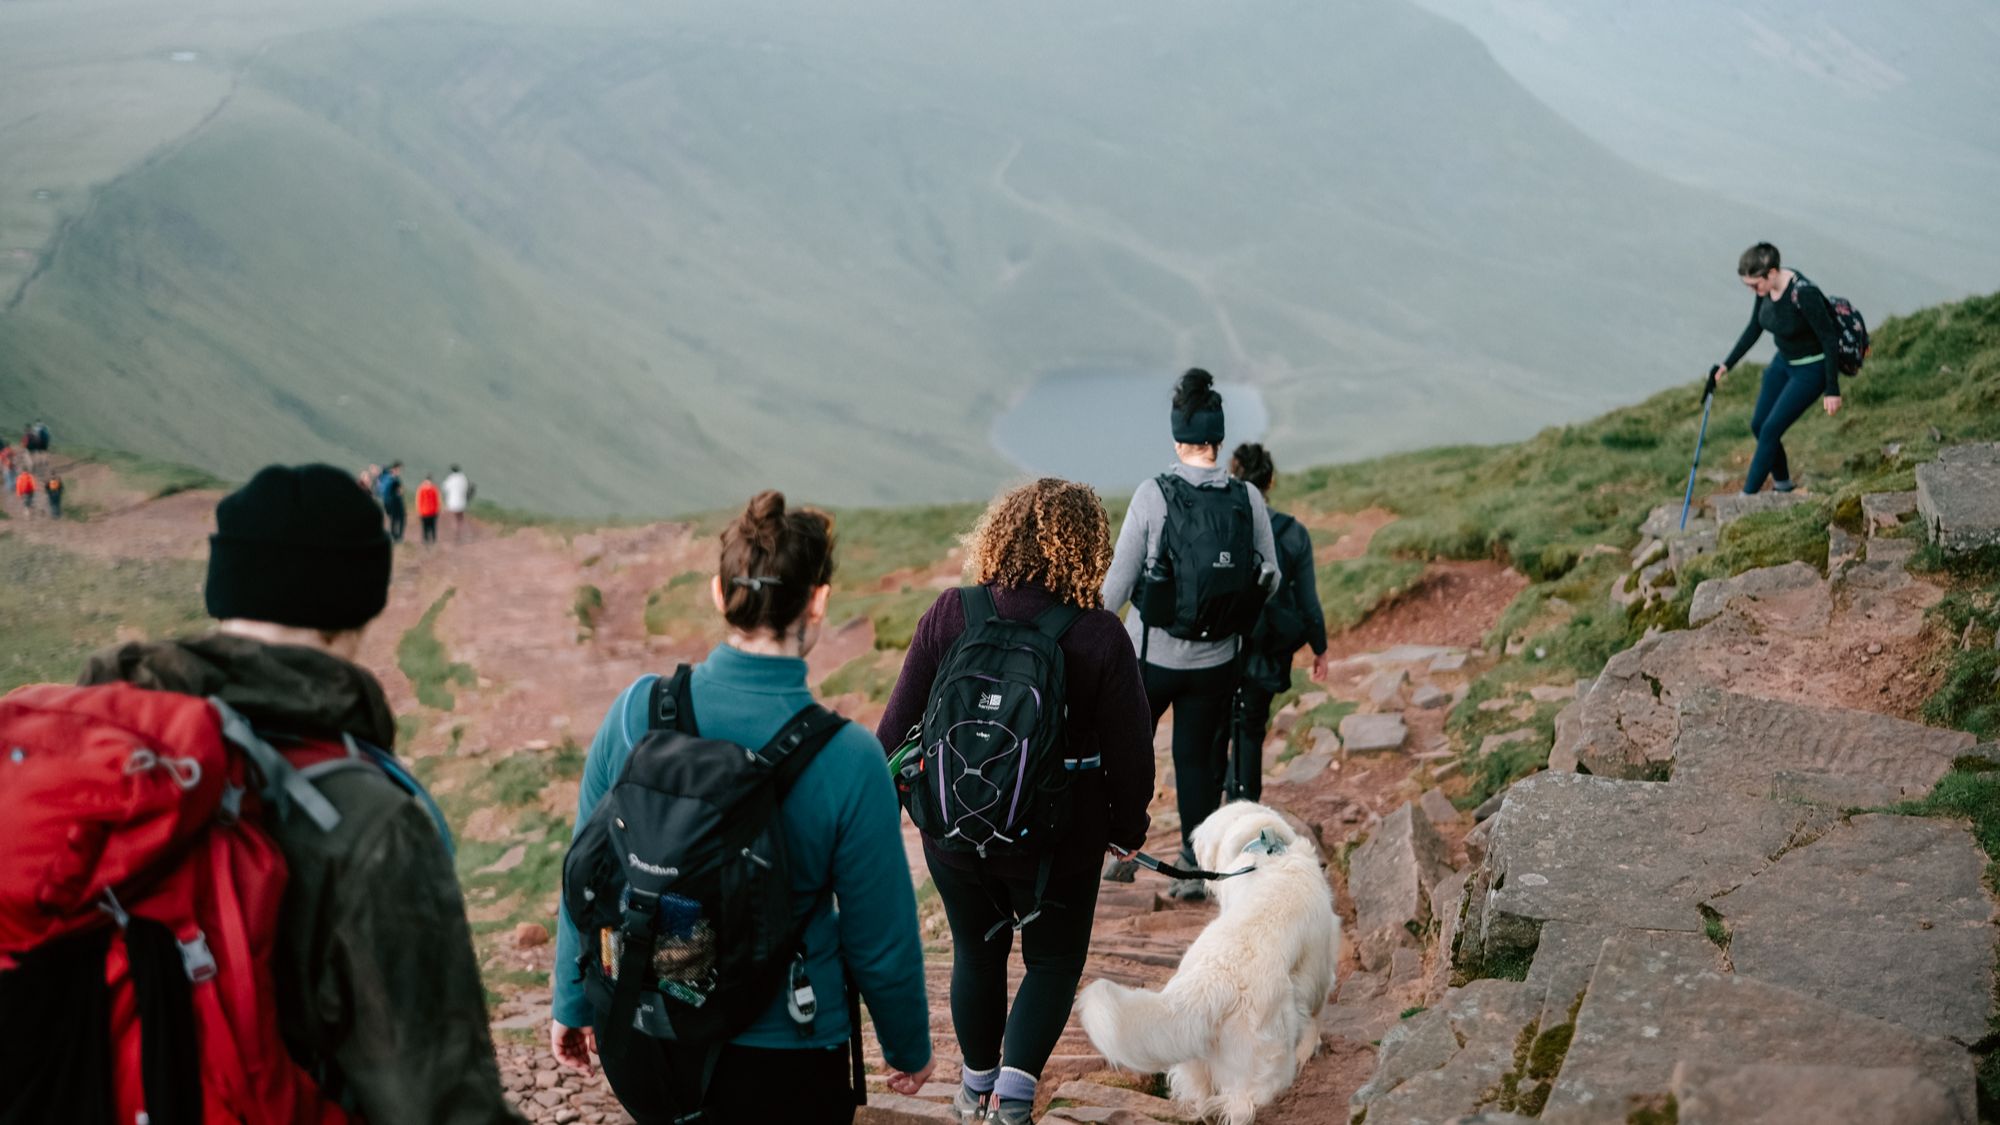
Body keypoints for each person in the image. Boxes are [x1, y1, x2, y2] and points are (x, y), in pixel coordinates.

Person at [72, 463, 521, 1124]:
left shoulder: (94, 751)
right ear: (361, 603)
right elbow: (439, 1101)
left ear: (223, 591)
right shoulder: (370, 821)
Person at [551, 490, 933, 1124]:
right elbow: (879, 940)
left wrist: (571, 1002)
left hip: (645, 1037)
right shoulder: (848, 756)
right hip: (785, 1057)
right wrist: (908, 1048)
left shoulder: (637, 713)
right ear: (818, 600)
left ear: (717, 593)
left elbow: (584, 874)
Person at [877, 479, 1155, 1125]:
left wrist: (882, 807)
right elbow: (1132, 752)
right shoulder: (1099, 634)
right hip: (1061, 842)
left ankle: (974, 1088)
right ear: (1088, 549)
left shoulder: (952, 612)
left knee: (977, 952)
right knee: (1053, 960)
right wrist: (1126, 827)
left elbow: (892, 734)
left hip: (953, 834)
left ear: (999, 533)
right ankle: (1014, 1099)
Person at [1101, 369, 1278, 901]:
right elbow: (1269, 575)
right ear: (1218, 440)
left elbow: (1116, 586)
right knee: (1199, 760)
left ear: (1178, 438)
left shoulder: (1153, 495)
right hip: (1217, 662)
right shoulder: (1247, 498)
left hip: (1151, 658)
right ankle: (1192, 867)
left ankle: (1121, 851)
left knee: (1129, 750)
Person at [1220, 444, 1328, 803]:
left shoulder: (1219, 525)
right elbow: (1308, 601)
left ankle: (1212, 816)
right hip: (1268, 649)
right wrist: (1320, 649)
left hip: (1222, 644)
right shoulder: (1294, 533)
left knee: (1217, 729)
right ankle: (1246, 809)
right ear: (1271, 481)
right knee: (1250, 729)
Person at [1711, 242, 1845, 495]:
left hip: (1810, 369)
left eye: (1754, 284)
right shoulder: (1765, 292)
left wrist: (1832, 390)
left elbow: (1829, 339)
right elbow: (1754, 327)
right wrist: (1726, 364)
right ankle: (1782, 484)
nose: (1753, 291)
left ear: (1771, 273)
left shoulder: (1804, 294)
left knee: (1771, 429)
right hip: (1783, 363)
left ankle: (1747, 497)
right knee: (1759, 425)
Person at [442, 464, 474, 542]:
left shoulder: (450, 478)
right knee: (461, 519)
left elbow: (445, 488)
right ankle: (464, 535)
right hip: (462, 502)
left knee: (454, 519)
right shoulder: (463, 478)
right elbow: (467, 488)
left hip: (452, 503)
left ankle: (456, 536)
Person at [379, 461, 407, 544]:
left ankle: (396, 536)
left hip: (391, 501)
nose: (400, 471)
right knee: (397, 519)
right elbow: (396, 490)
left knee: (396, 519)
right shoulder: (391, 478)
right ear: (395, 468)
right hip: (393, 502)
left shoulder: (389, 477)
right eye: (399, 469)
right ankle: (396, 536)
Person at [416, 474, 442, 545]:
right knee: (426, 527)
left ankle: (432, 540)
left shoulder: (433, 489)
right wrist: (419, 511)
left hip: (431, 512)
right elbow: (419, 501)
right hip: (425, 512)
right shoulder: (423, 489)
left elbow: (437, 501)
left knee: (432, 527)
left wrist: (437, 510)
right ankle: (426, 540)